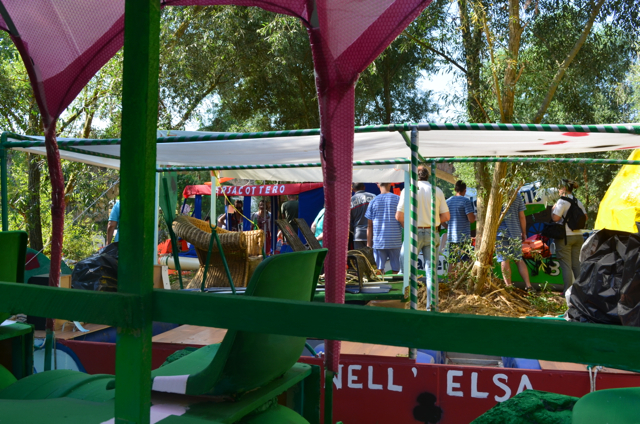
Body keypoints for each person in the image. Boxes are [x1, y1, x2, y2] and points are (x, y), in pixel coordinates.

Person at [395, 166, 450, 279]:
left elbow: (399, 216)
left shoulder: (408, 190)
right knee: (431, 272)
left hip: (413, 232)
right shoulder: (437, 190)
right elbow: (446, 216)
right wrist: (433, 221)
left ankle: (408, 290)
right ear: (427, 176)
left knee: (406, 270)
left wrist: (408, 226)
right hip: (432, 232)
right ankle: (431, 292)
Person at [551, 179, 588, 293]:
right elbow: (585, 217)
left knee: (566, 265)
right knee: (577, 264)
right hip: (578, 236)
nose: (558, 190)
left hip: (565, 237)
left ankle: (567, 292)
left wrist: (553, 210)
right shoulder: (577, 201)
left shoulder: (562, 202)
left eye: (559, 187)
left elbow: (555, 218)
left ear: (564, 188)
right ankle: (581, 291)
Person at [496, 193, 533, 291]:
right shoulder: (517, 195)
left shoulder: (497, 194)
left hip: (500, 233)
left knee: (504, 260)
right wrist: (524, 232)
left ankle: (509, 287)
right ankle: (528, 285)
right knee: (519, 259)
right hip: (515, 232)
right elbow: (522, 216)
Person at [365, 183, 402, 274]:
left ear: (378, 185)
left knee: (378, 270)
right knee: (396, 271)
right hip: (395, 240)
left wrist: (368, 244)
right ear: (390, 184)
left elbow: (369, 225)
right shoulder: (398, 199)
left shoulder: (373, 201)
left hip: (379, 241)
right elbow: (402, 219)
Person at [446, 180, 476, 268]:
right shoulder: (465, 201)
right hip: (463, 237)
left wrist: (448, 227)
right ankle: (462, 277)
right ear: (465, 190)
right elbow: (471, 220)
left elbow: (442, 219)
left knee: (452, 263)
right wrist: (475, 216)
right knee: (464, 263)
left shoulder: (448, 201)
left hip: (451, 237)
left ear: (455, 189)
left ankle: (451, 277)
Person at [350, 183, 376, 249]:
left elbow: (349, 221)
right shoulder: (374, 197)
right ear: (364, 187)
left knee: (359, 255)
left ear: (353, 189)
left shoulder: (351, 201)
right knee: (372, 255)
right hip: (373, 234)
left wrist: (353, 231)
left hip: (358, 234)